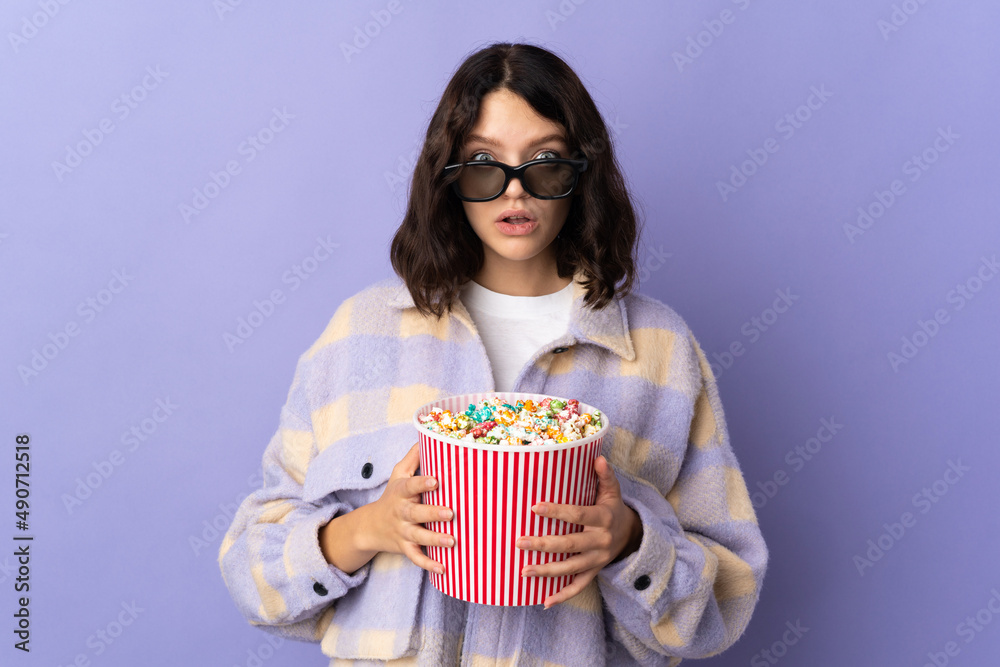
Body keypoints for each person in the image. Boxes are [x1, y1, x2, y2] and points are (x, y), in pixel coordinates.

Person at [218, 42, 768, 666]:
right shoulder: (360, 332)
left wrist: (629, 541)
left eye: (546, 163)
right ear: (448, 176)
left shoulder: (660, 350)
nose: (515, 193)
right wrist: (368, 529)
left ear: (582, 173)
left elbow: (726, 600)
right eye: (484, 163)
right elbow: (252, 573)